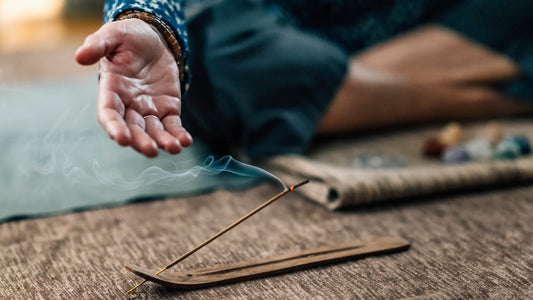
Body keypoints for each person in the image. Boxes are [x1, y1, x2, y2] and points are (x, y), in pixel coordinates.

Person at [76, 0, 533, 160]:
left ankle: (329, 90)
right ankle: (501, 96)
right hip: (268, 36)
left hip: (441, 24)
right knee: (212, 54)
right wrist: (150, 21)